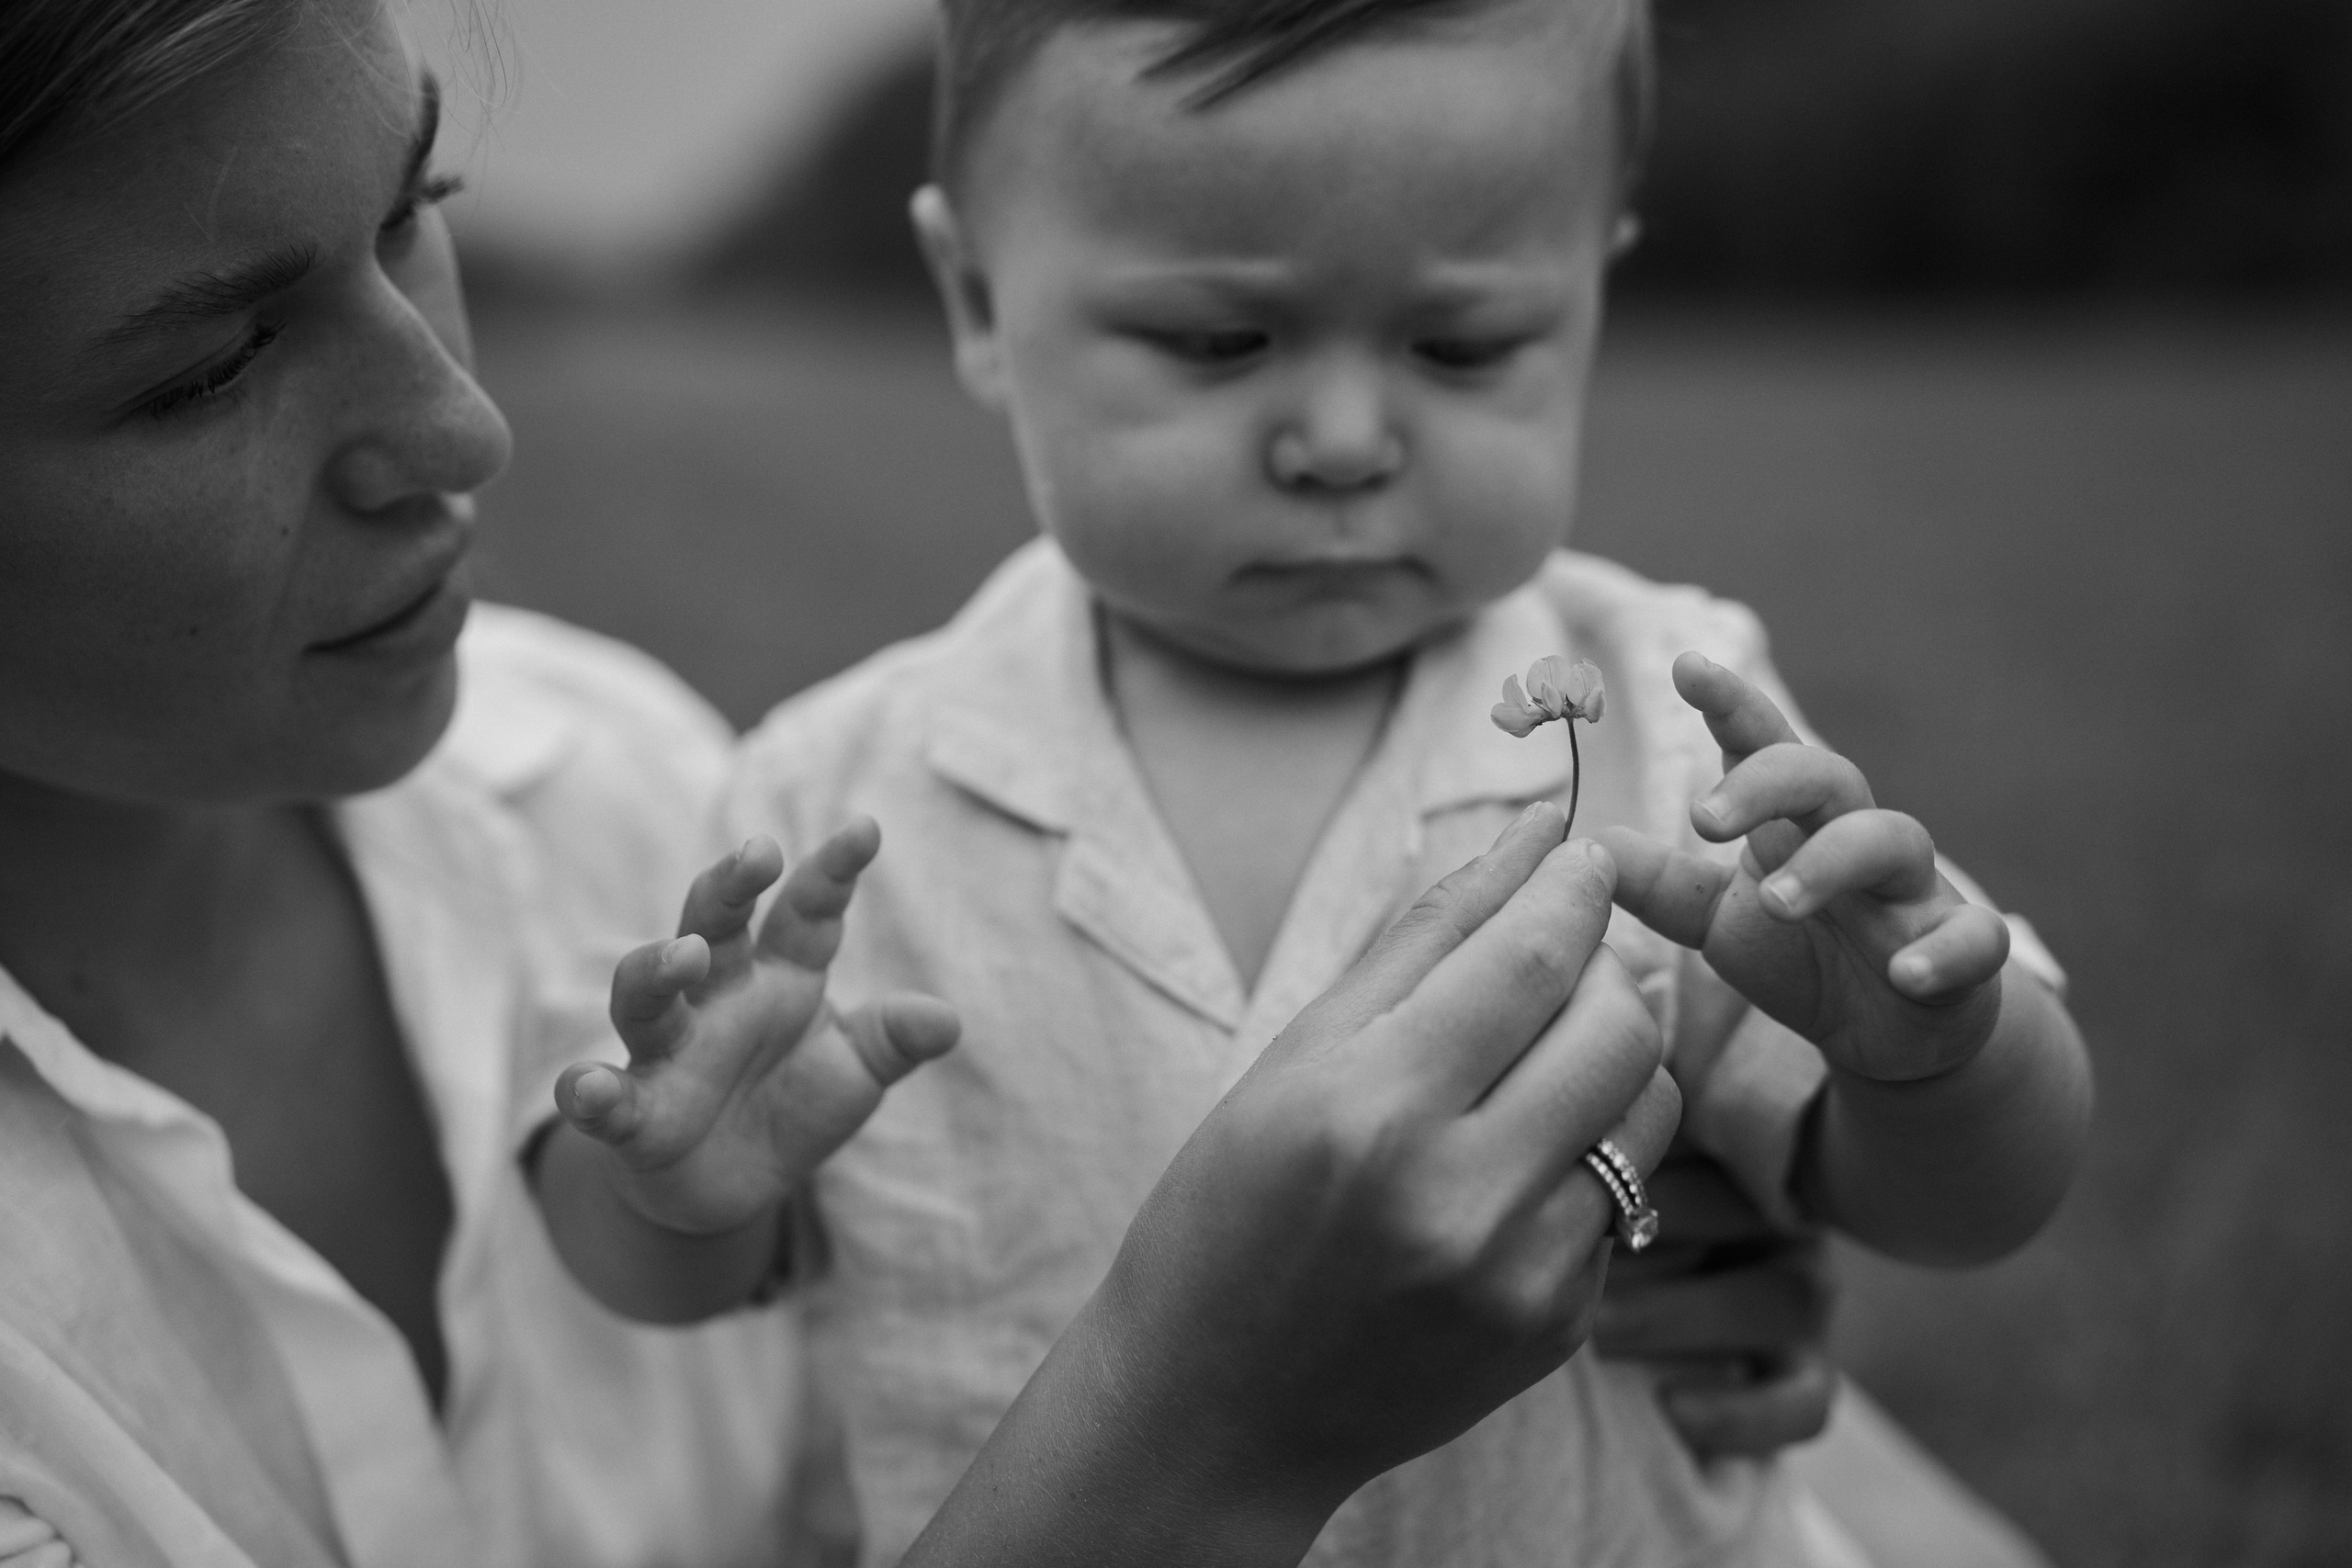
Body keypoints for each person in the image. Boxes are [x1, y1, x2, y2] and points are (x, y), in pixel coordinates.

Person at [0, 1, 1807, 1563]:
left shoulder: (616, 786)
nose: (467, 425)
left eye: (413, 214)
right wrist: (1208, 1426)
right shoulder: (843, 767)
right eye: (209, 366)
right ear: (969, 290)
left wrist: (1634, 1276)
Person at [533, 1, 2093, 1565]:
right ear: (978, 298)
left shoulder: (1670, 730)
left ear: (1593, 290)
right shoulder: (836, 803)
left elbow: (1958, 1207)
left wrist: (1936, 1060)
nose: (1345, 440)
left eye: (1464, 346)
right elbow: (681, 1284)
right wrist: (677, 1193)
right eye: (1221, 341)